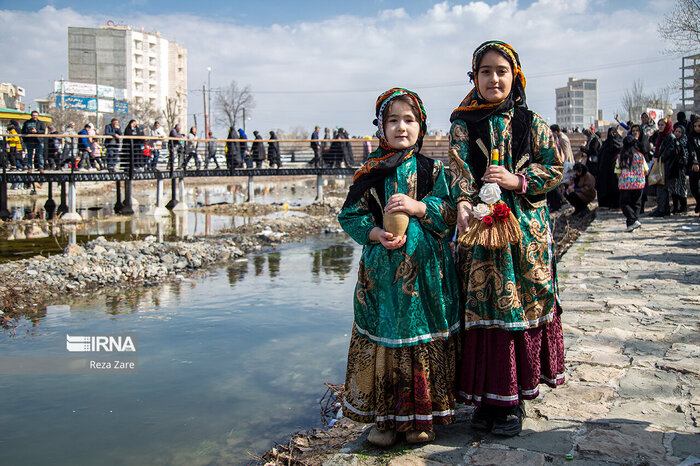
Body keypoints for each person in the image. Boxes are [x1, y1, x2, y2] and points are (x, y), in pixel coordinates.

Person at [449, 41, 565, 437]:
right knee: (483, 309)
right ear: (475, 77)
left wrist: (518, 180)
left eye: (501, 70)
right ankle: (485, 400)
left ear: (515, 75)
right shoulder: (463, 124)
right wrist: (463, 203)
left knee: (517, 307)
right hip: (480, 232)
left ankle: (512, 401)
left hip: (524, 235)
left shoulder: (532, 122)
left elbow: (555, 168)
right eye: (485, 71)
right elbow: (458, 170)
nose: (494, 78)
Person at [338, 88, 459, 447]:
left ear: (421, 126)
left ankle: (421, 419)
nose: (401, 127)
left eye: (409, 120)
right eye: (393, 120)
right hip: (383, 277)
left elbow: (450, 214)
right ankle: (386, 421)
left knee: (420, 338)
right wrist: (374, 232)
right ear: (380, 127)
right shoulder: (370, 172)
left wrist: (418, 207)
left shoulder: (432, 170)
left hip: (426, 275)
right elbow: (349, 215)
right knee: (386, 339)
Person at [615, 135, 648, 232]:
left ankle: (633, 221)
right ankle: (633, 223)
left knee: (624, 203)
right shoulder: (640, 156)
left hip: (626, 183)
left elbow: (618, 172)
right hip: (639, 183)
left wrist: (621, 179)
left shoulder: (621, 157)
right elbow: (646, 170)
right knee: (636, 203)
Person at [649, 117, 674, 217]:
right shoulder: (660, 136)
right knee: (659, 188)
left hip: (666, 166)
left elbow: (669, 151)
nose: (660, 127)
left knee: (663, 188)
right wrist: (655, 157)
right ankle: (661, 208)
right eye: (659, 125)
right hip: (659, 164)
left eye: (662, 125)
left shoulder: (669, 137)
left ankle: (663, 209)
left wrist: (660, 158)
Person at [596, 126, 623, 209]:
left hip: (616, 169)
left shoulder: (620, 143)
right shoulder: (605, 144)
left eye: (614, 133)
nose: (612, 135)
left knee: (615, 186)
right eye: (611, 133)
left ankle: (616, 204)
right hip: (605, 170)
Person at [668, 125, 689, 214]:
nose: (677, 133)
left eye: (679, 132)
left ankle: (683, 207)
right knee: (673, 188)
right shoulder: (672, 142)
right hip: (673, 168)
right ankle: (675, 207)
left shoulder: (684, 143)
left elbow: (686, 156)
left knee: (682, 188)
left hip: (681, 169)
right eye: (676, 131)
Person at [686, 118, 700, 214]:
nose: (697, 128)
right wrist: (695, 162)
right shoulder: (691, 136)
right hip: (694, 164)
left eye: (699, 126)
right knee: (693, 187)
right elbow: (691, 150)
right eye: (695, 126)